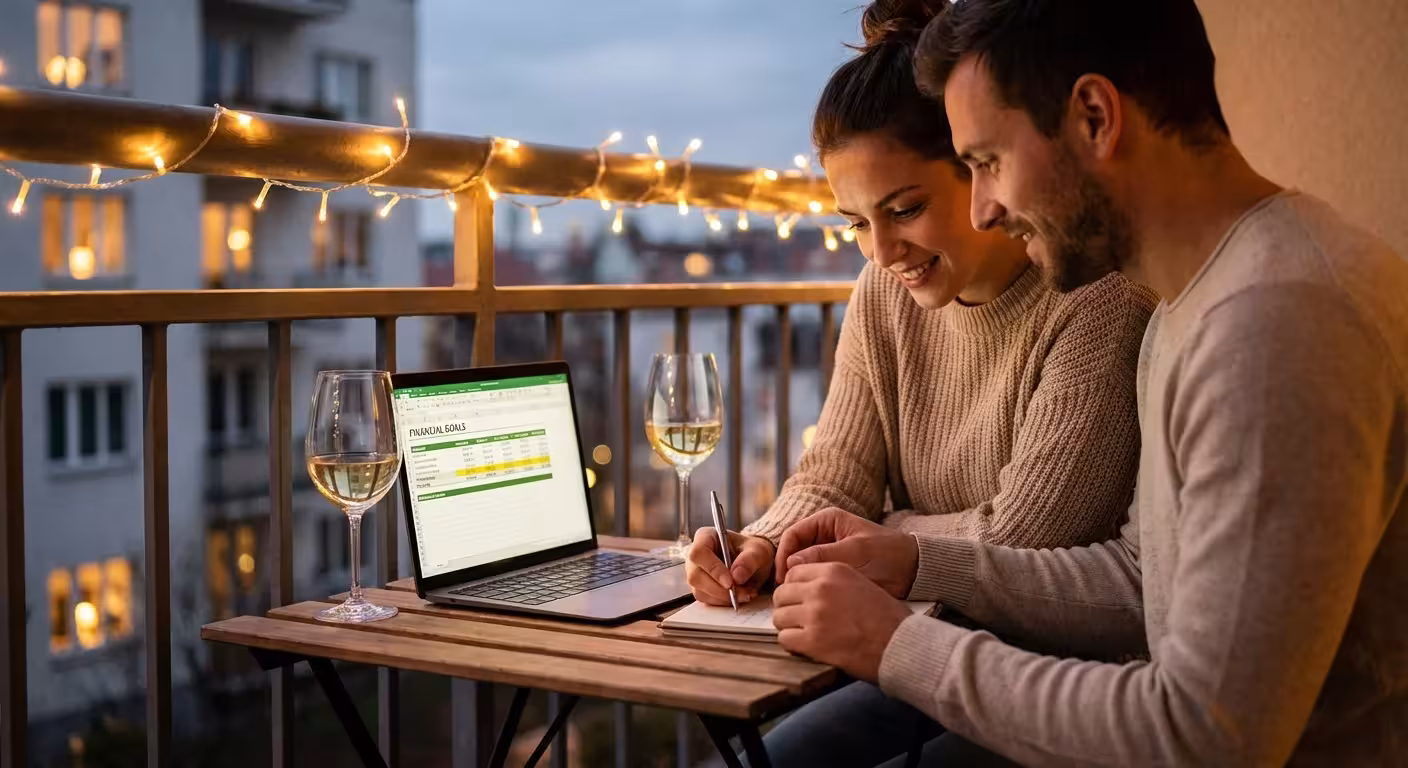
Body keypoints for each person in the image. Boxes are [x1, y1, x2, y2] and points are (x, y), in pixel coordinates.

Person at [767, 0, 1408, 765]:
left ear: (1096, 116)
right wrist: (915, 562)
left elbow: (1203, 739)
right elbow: (1140, 584)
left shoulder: (1277, 322)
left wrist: (898, 644)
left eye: (988, 163)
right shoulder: (1191, 301)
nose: (986, 209)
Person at [689, 1, 1155, 764]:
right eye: (855, 223)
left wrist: (886, 533)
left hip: (1051, 676)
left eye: (904, 209)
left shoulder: (1095, 300)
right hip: (910, 645)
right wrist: (762, 548)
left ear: (978, 172)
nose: (882, 251)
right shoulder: (883, 296)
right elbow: (835, 477)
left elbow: (1026, 538)